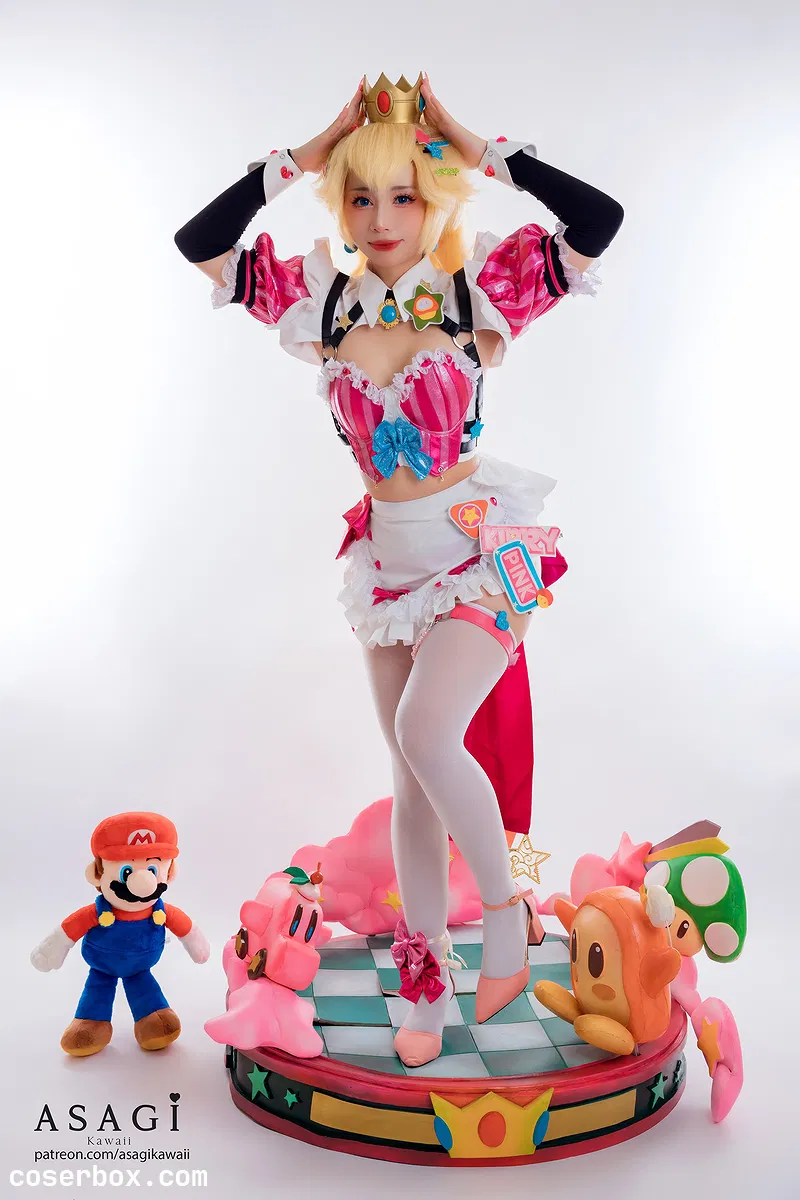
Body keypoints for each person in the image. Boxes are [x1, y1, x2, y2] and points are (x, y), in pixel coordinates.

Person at [174, 72, 623, 1067]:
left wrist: (480, 147)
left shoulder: (476, 293)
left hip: (480, 553)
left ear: (435, 199)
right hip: (384, 569)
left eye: (405, 196)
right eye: (361, 197)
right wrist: (305, 153)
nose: (382, 220)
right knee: (413, 783)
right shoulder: (323, 303)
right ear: (340, 206)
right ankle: (425, 995)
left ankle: (505, 919)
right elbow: (198, 242)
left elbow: (599, 221)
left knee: (429, 731)